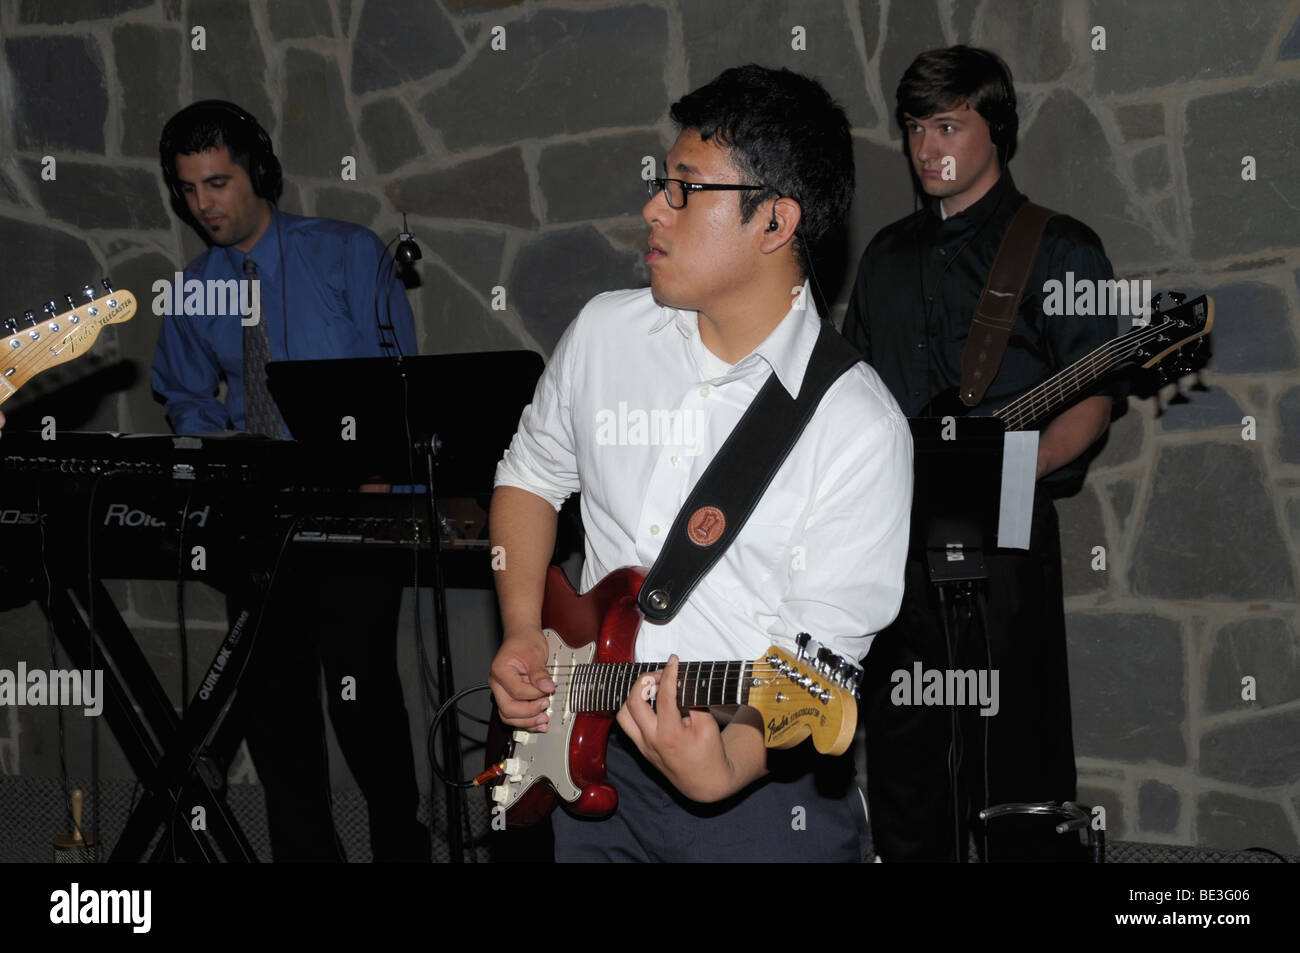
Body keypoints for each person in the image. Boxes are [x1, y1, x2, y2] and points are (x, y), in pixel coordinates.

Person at [488, 65, 912, 862]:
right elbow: (529, 475)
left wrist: (729, 763)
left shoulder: (860, 427)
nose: (653, 207)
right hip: (588, 765)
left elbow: (817, 668)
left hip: (756, 801)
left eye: (685, 187)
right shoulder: (605, 334)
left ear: (775, 221)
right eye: (661, 180)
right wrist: (521, 630)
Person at [842, 46, 1119, 862]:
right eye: (916, 127)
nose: (929, 147)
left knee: (1018, 767)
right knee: (905, 771)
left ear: (995, 129)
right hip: (896, 554)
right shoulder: (883, 259)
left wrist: (1005, 468)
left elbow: (1093, 400)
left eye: (950, 125)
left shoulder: (1060, 247)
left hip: (1003, 545)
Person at [152, 100, 428, 861]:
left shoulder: (345, 254)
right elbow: (177, 388)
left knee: (362, 698)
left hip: (351, 509)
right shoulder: (196, 285)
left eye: (217, 182)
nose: (202, 203)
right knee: (275, 712)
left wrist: (375, 472)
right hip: (259, 514)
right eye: (188, 189)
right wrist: (215, 439)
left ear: (259, 174)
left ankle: (402, 852)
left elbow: (393, 383)